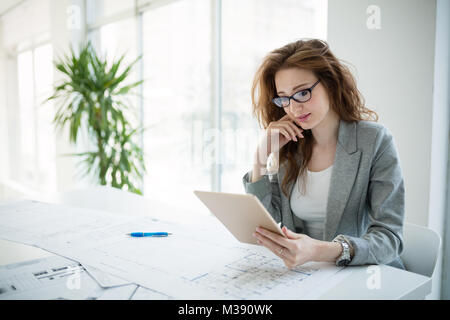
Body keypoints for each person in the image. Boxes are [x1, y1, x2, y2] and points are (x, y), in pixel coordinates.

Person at [242, 38, 405, 270]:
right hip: (306, 276)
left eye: (302, 93)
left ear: (330, 83)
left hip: (363, 274)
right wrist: (261, 155)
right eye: (284, 98)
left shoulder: (375, 141)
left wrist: (319, 251)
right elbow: (266, 222)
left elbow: (390, 239)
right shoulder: (291, 143)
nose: (294, 108)